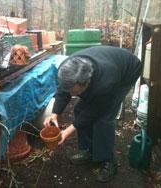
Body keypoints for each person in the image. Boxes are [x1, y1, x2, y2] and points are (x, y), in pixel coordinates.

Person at [44, 46, 143, 183]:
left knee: (104, 119)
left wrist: (68, 131)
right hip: (108, 62)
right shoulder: (67, 69)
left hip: (128, 70)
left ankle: (108, 161)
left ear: (87, 82)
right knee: (79, 109)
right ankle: (90, 151)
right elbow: (63, 90)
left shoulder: (107, 82)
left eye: (75, 92)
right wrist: (55, 113)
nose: (72, 95)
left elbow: (95, 110)